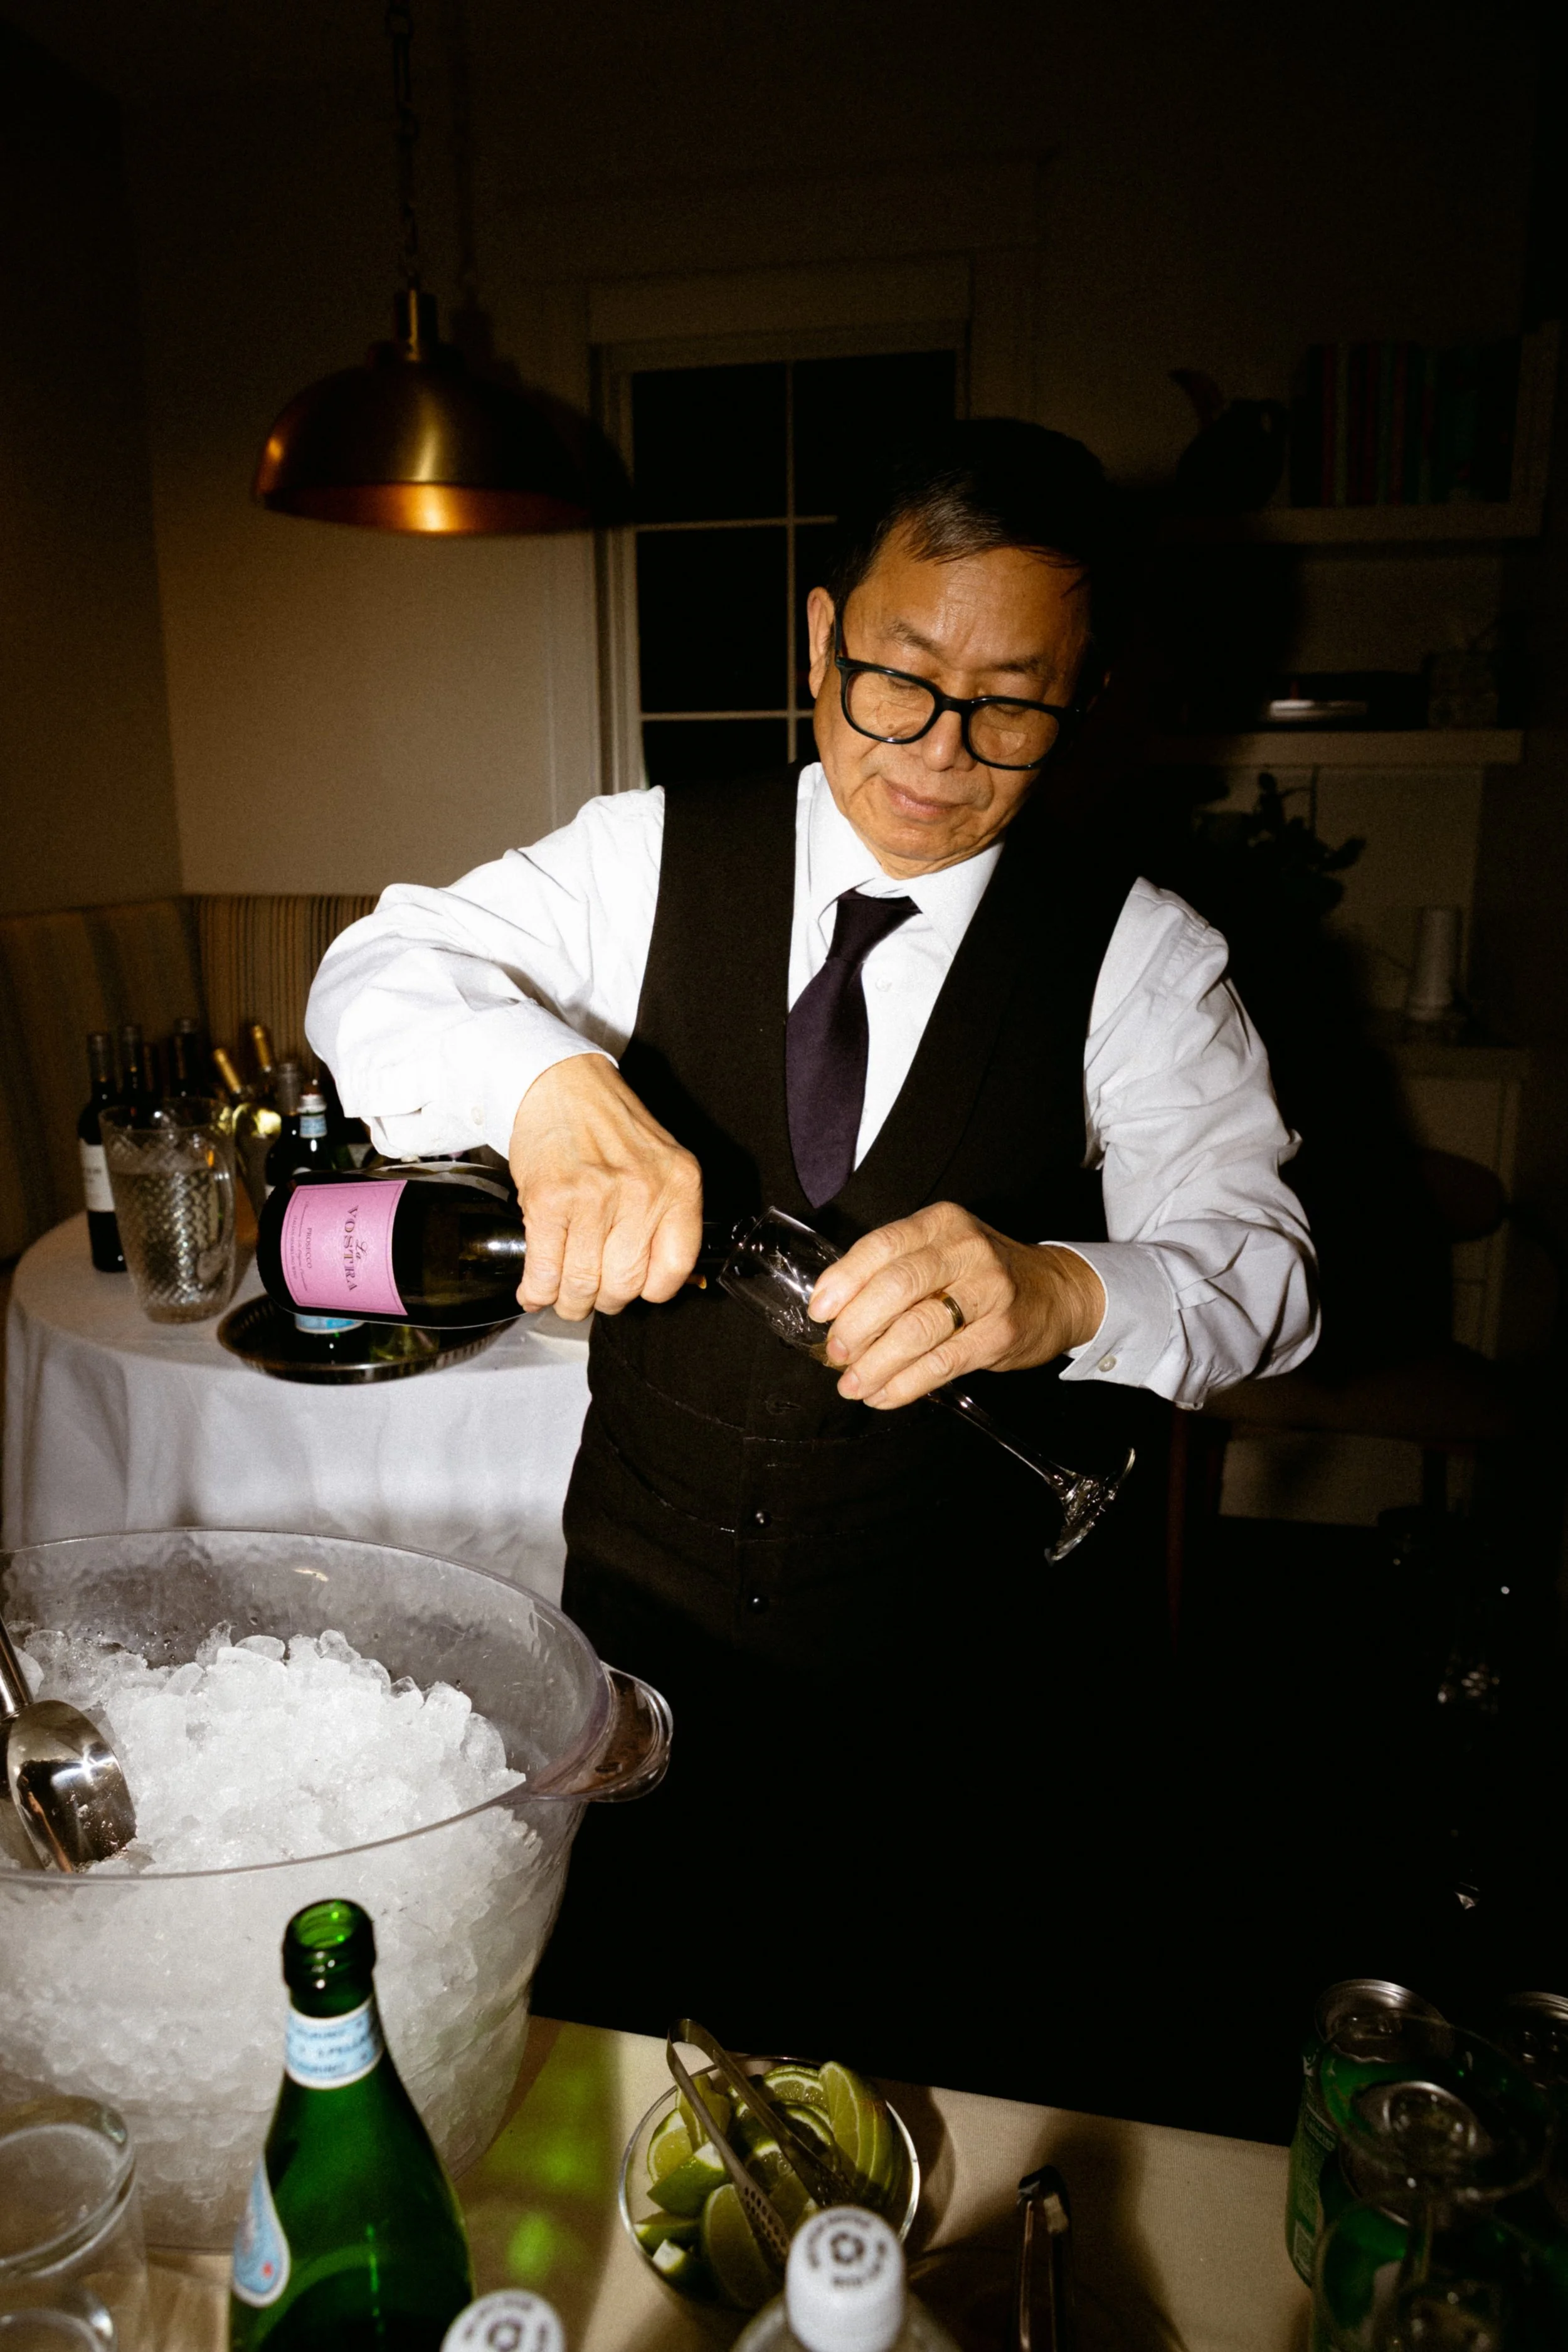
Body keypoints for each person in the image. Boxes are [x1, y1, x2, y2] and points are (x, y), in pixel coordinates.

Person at [308, 421, 1317, 2112]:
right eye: (898, 678)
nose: (941, 747)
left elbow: (1268, 1279)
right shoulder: (642, 855)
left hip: (949, 1686)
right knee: (618, 2064)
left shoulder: (1139, 953)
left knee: (916, 2086)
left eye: (1014, 698)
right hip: (640, 1626)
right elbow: (379, 966)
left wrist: (1065, 1288)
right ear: (817, 635)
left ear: (1086, 689)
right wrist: (543, 1087)